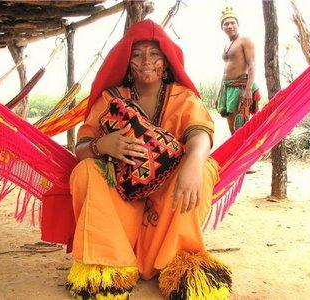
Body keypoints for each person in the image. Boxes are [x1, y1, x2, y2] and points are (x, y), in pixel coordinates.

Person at [66, 20, 232, 300]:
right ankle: (108, 267)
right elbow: (81, 148)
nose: (146, 61)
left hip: (170, 193)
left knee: (203, 168)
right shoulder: (110, 99)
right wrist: (102, 145)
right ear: (128, 62)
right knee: (85, 171)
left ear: (166, 61)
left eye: (154, 54)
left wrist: (193, 163)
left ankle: (180, 265)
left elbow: (200, 134)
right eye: (138, 54)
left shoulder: (183, 96)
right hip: (120, 195)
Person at [216, 6, 261, 135]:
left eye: (232, 23)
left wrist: (248, 89)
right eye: (226, 24)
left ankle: (248, 154)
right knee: (232, 128)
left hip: (241, 87)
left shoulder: (245, 40)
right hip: (228, 87)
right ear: (222, 27)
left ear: (237, 25)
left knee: (241, 127)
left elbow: (252, 65)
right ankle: (237, 154)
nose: (229, 26)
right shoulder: (227, 45)